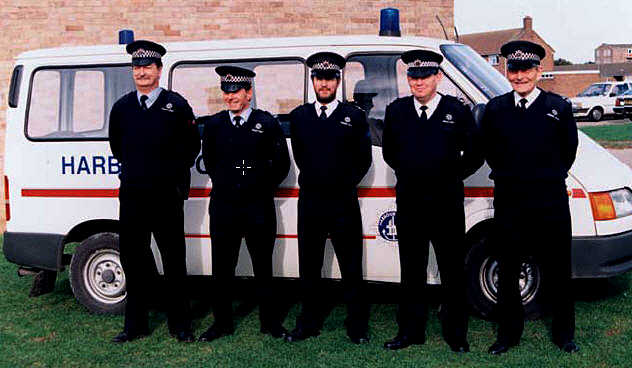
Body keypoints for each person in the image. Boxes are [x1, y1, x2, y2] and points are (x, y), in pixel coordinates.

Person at [481, 40, 579, 355]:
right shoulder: (496, 109)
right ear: (506, 71)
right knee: (508, 268)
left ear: (538, 71)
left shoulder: (558, 107)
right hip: (510, 199)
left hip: (549, 198)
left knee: (560, 266)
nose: (520, 76)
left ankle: (565, 334)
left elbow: (568, 151)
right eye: (514, 69)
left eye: (526, 70)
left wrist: (544, 176)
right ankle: (508, 334)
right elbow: (490, 152)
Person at [381, 50, 483, 352]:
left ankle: (456, 333)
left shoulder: (456, 111)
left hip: (446, 204)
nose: (419, 81)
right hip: (411, 204)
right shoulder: (397, 111)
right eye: (413, 76)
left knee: (452, 270)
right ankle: (410, 331)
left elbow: (476, 152)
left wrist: (451, 175)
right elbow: (390, 153)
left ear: (438, 77)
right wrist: (414, 172)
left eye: (425, 75)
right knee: (411, 271)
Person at [108, 40, 200, 343]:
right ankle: (135, 325)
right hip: (133, 196)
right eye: (137, 67)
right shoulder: (122, 108)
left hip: (165, 197)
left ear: (160, 70)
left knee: (174, 262)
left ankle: (180, 326)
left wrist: (171, 178)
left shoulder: (176, 105)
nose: (142, 72)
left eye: (148, 67)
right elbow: (118, 147)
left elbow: (191, 147)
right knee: (133, 263)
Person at [198, 66, 290, 342]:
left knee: (263, 266)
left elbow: (282, 164)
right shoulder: (214, 126)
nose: (230, 97)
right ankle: (221, 323)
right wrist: (231, 184)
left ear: (248, 93)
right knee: (222, 268)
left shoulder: (266, 123)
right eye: (226, 92)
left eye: (236, 91)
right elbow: (211, 162)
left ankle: (269, 322)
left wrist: (258, 187)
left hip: (257, 207)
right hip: (225, 207)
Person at [287, 52, 372, 344]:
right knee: (309, 267)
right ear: (313, 81)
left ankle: (357, 324)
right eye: (319, 78)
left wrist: (343, 183)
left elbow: (363, 159)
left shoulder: (354, 116)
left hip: (342, 202)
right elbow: (301, 155)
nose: (324, 83)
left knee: (351, 267)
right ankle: (308, 322)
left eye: (330, 78)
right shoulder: (299, 117)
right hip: (310, 202)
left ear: (338, 80)